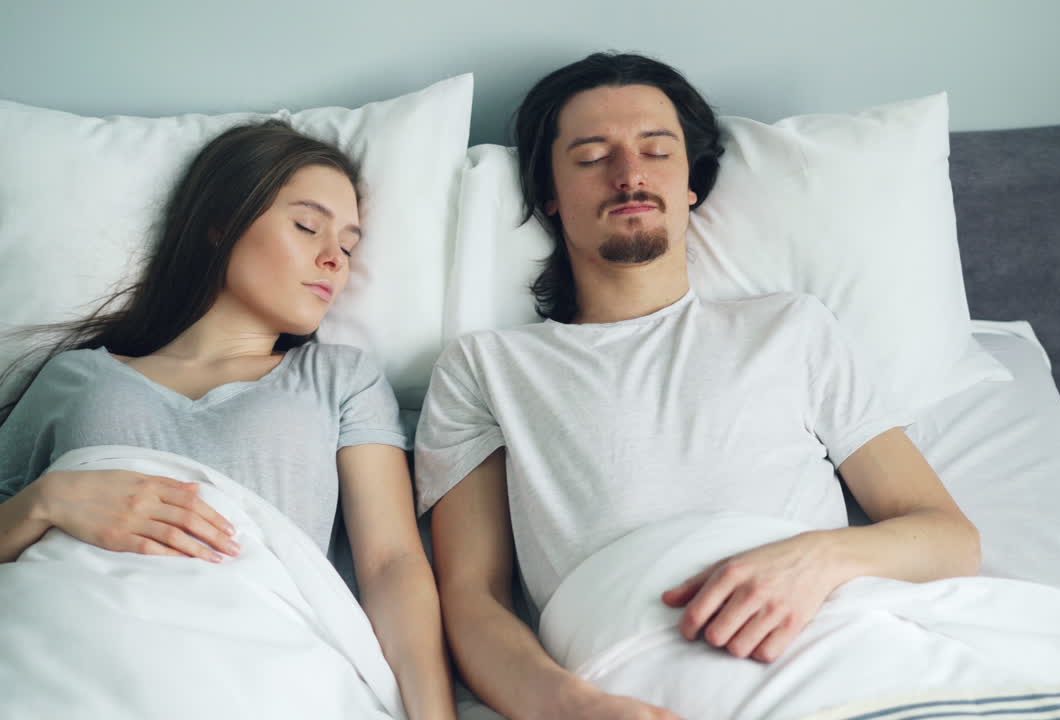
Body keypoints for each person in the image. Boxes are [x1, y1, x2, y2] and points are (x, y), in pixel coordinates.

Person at [416, 52, 981, 720]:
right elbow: (472, 596)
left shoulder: (790, 328)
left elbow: (949, 539)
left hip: (833, 645)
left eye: (657, 151)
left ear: (690, 182)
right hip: (634, 677)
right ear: (551, 194)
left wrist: (818, 561)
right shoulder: (487, 367)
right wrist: (570, 706)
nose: (629, 175)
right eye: (593, 157)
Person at [0, 120, 455, 719]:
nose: (332, 260)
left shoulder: (338, 377)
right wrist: (47, 500)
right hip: (61, 640)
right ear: (222, 223)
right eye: (307, 226)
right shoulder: (76, 378)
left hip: (252, 666)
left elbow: (392, 563)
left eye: (347, 246)